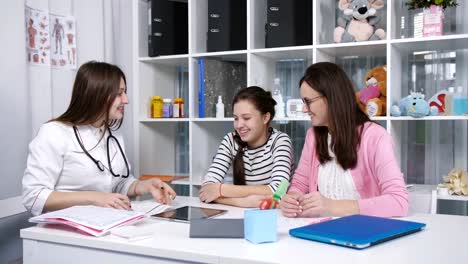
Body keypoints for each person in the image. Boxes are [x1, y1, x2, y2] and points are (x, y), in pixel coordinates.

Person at [22, 61, 176, 216]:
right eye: (119, 93)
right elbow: (33, 196)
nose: (126, 100)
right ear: (97, 94)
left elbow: (117, 184)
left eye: (125, 92)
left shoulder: (112, 135)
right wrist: (95, 198)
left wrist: (144, 186)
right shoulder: (54, 132)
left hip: (105, 222)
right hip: (65, 228)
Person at [279, 62, 408, 218]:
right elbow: (300, 184)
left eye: (308, 101)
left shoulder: (375, 137)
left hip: (366, 232)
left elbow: (399, 202)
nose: (304, 109)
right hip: (321, 229)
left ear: (331, 97)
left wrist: (332, 207)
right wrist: (292, 199)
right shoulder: (313, 136)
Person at [200, 86, 294, 207]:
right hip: (242, 214)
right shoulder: (231, 140)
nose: (239, 125)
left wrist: (220, 190)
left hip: (278, 216)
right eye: (236, 118)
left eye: (246, 118)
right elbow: (206, 189)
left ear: (265, 117)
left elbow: (277, 191)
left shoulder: (280, 141)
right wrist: (245, 202)